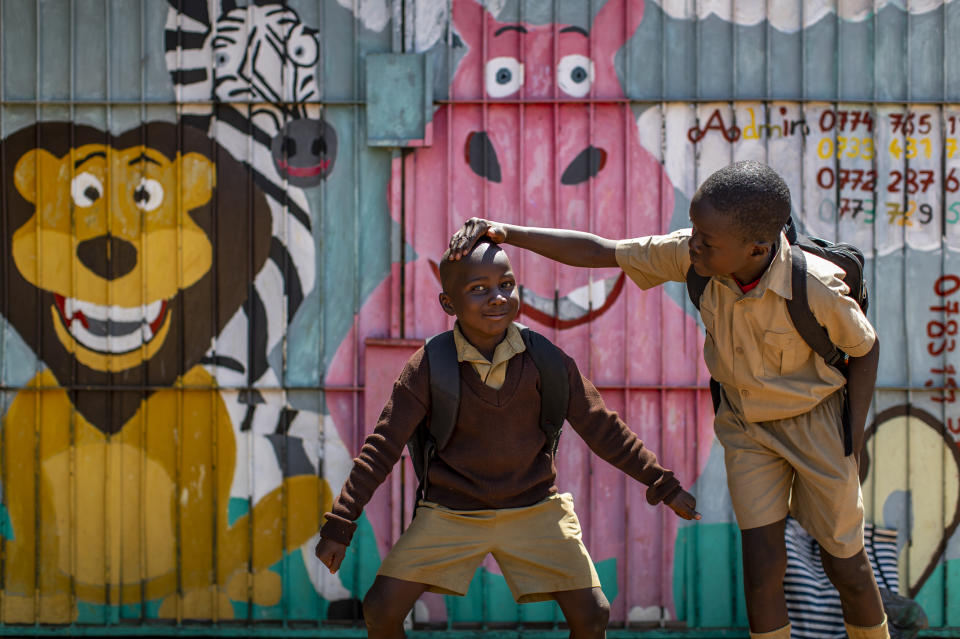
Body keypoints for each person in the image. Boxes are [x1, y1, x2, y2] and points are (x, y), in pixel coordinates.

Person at [447, 161, 887, 639]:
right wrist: (508, 233)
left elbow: (866, 349)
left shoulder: (815, 285)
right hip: (748, 428)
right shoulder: (694, 257)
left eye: (706, 241)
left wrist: (852, 438)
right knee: (761, 567)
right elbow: (602, 251)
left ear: (756, 249)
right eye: (694, 231)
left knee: (843, 563)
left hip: (818, 425)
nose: (692, 243)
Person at [315, 238, 700, 639]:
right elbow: (382, 448)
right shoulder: (430, 365)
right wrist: (340, 523)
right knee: (380, 608)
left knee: (592, 614)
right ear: (449, 304)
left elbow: (602, 427)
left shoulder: (545, 359)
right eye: (478, 289)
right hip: (451, 511)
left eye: (506, 285)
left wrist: (662, 483)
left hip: (534, 506)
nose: (497, 298)